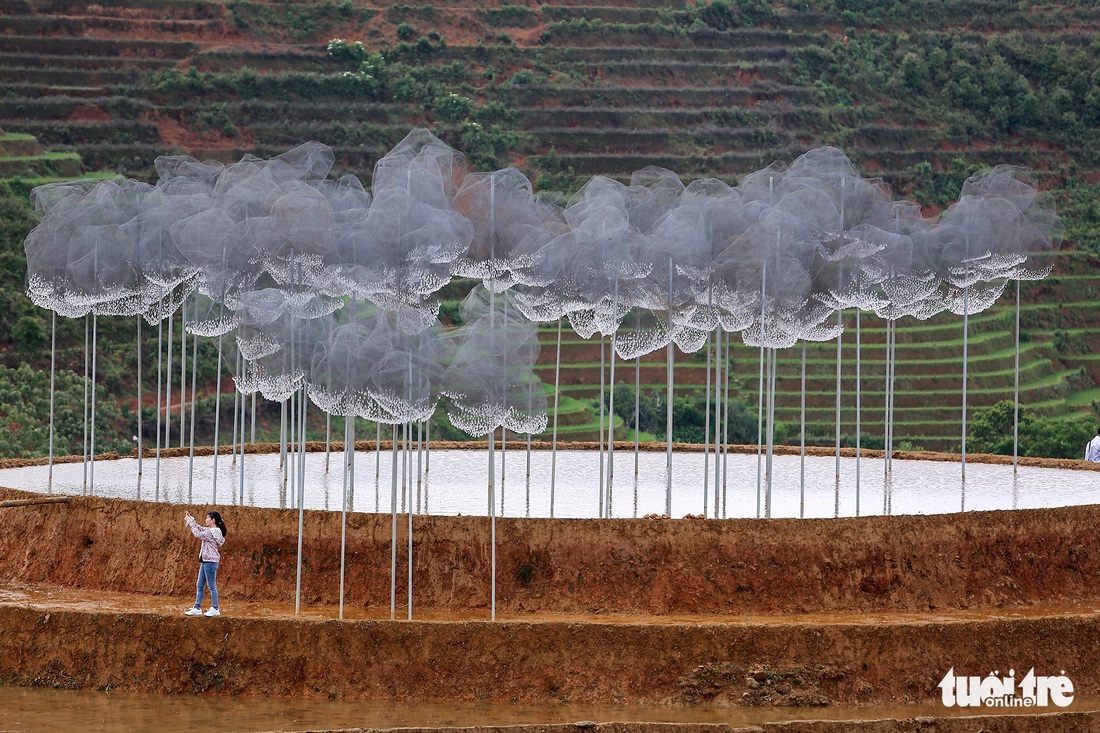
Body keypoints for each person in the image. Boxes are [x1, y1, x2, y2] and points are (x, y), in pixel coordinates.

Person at [184, 510, 227, 617]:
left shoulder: (213, 532)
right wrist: (191, 520)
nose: (206, 519)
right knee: (200, 585)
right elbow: (200, 528)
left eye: (208, 518)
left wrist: (190, 522)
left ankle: (215, 608)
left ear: (213, 520)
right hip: (205, 561)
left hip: (210, 562)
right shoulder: (212, 530)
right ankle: (197, 607)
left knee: (211, 586)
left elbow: (198, 534)